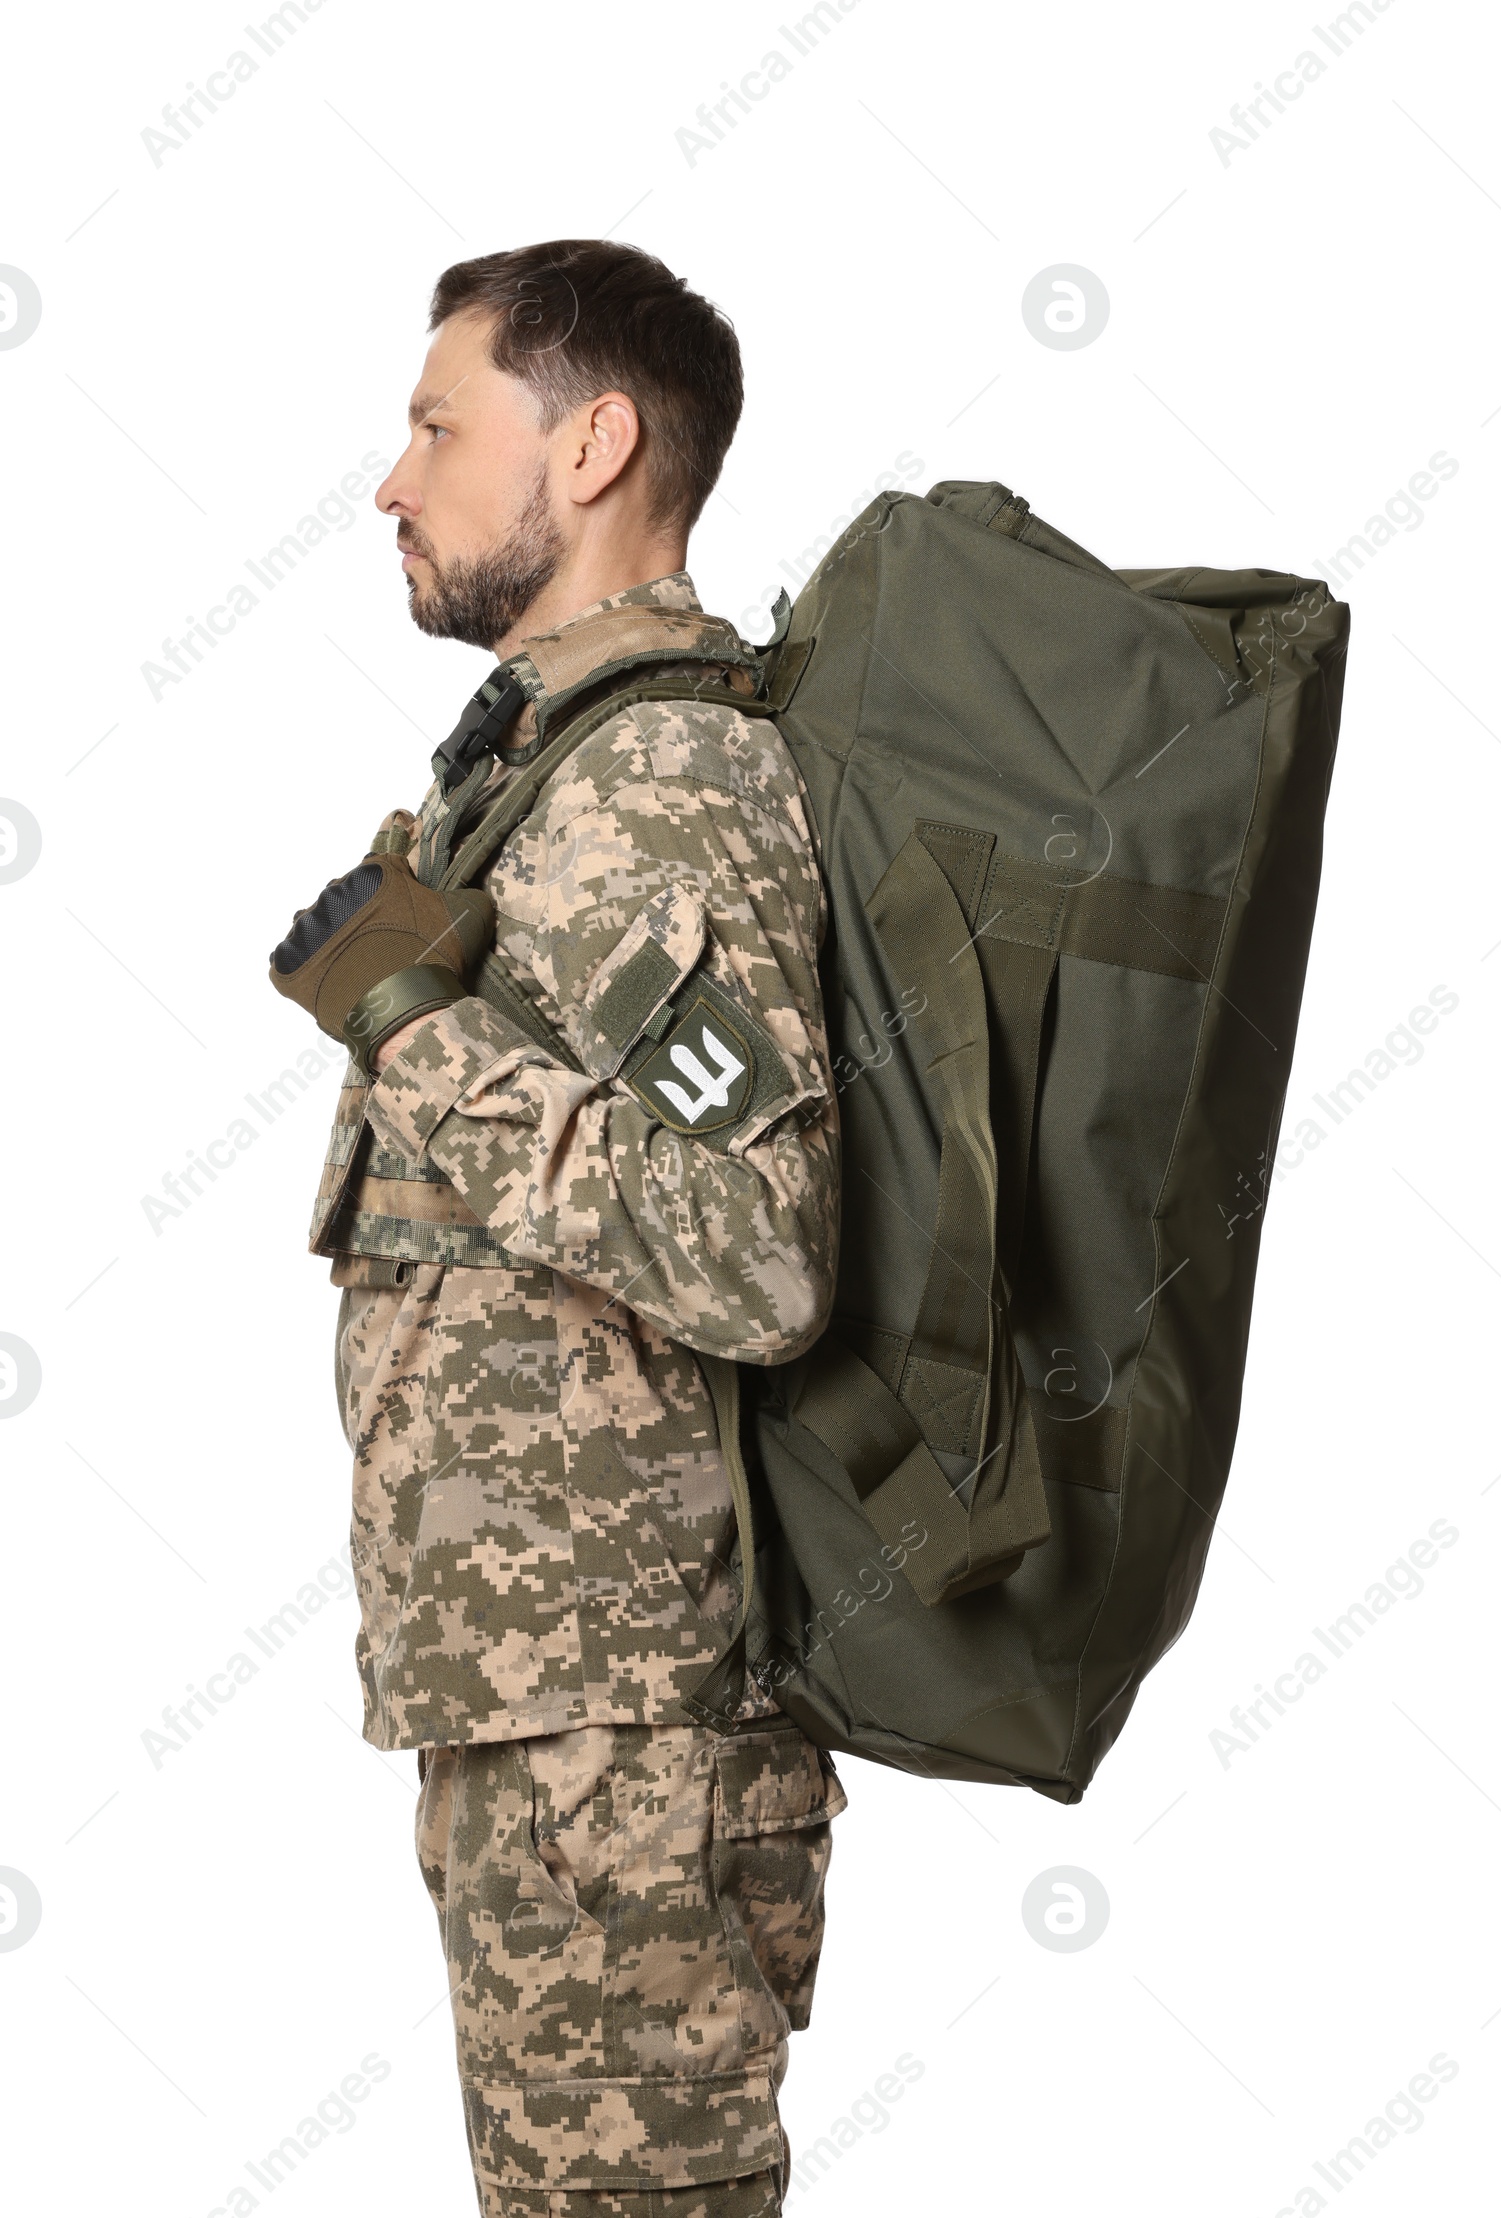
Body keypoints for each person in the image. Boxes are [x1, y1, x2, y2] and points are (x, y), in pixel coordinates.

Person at [268, 239, 845, 2218]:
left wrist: (418, 1033)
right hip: (555, 1716)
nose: (394, 480)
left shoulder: (664, 783)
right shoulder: (547, 779)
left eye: (440, 424)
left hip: (630, 1742)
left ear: (591, 445)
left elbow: (753, 1244)